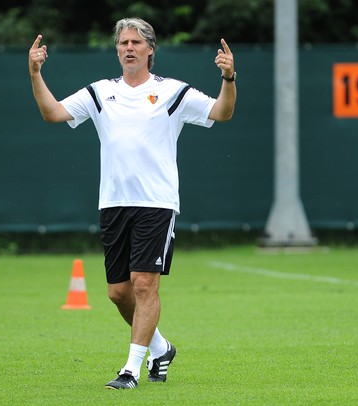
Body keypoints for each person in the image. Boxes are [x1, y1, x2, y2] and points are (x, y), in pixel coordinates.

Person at [28, 17, 236, 390]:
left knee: (144, 285)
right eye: (123, 42)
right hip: (113, 202)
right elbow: (52, 113)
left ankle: (130, 370)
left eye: (136, 43)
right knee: (118, 292)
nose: (128, 48)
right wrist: (35, 72)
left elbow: (222, 112)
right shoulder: (99, 92)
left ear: (150, 49)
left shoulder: (172, 92)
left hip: (155, 203)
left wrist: (229, 78)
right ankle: (161, 347)